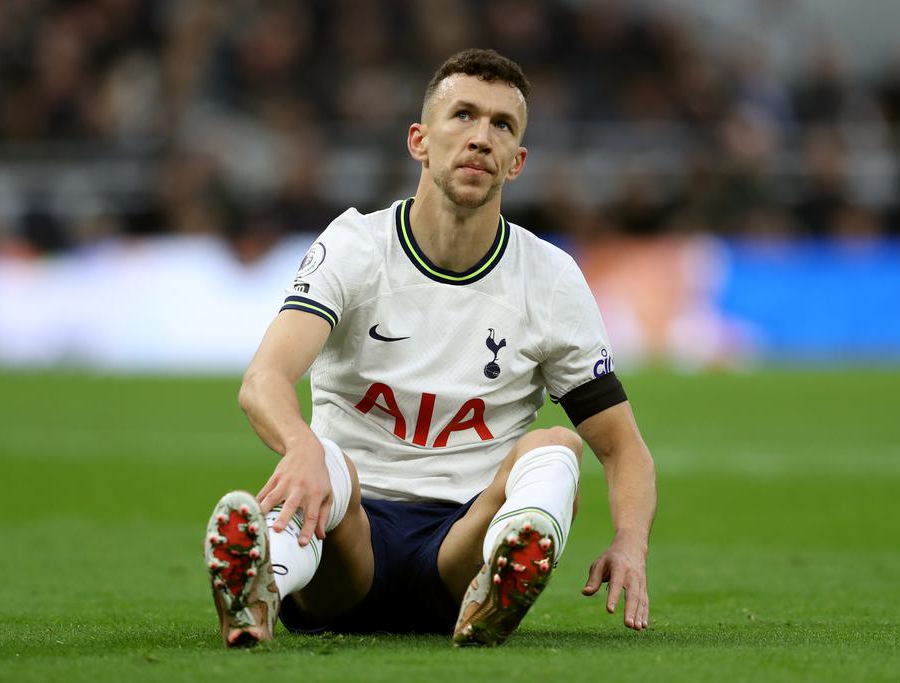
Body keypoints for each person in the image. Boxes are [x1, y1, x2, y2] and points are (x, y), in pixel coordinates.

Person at [204, 48, 657, 648]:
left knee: (558, 446)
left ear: (517, 162)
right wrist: (300, 445)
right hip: (348, 535)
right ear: (419, 140)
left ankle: (499, 584)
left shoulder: (549, 278)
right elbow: (263, 379)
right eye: (463, 116)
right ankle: (262, 581)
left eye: (502, 125)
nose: (481, 138)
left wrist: (629, 543)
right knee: (329, 465)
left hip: (461, 546)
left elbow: (624, 449)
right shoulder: (355, 247)